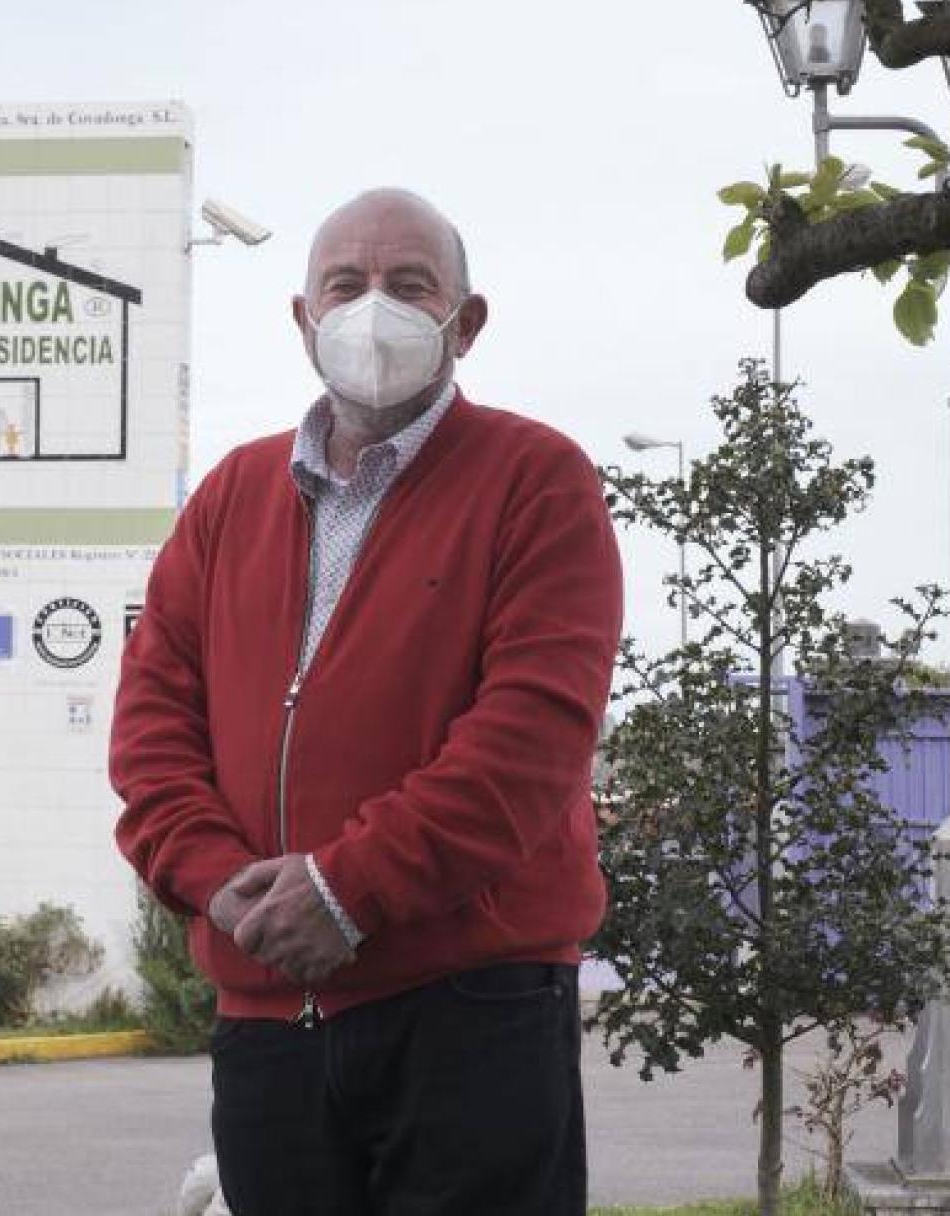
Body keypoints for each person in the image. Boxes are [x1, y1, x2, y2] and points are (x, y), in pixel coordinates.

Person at [112, 188, 622, 1216]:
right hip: (265, 1016)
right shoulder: (229, 497)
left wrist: (349, 892)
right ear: (303, 320)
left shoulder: (537, 481)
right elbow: (153, 729)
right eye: (345, 286)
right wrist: (221, 885)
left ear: (463, 322)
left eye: (409, 285)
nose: (371, 309)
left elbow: (531, 738)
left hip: (470, 1004)